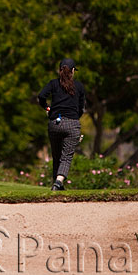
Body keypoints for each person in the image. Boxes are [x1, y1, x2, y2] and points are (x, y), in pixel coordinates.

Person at [38, 58, 86, 191]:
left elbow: (41, 96)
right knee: (66, 157)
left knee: (56, 155)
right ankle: (59, 182)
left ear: (60, 70)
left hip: (55, 123)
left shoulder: (53, 84)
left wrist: (48, 109)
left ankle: (57, 185)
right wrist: (75, 121)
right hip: (72, 124)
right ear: (72, 71)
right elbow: (81, 108)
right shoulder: (79, 86)